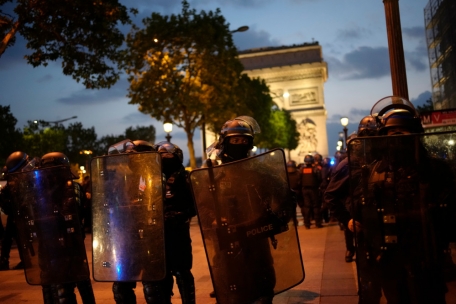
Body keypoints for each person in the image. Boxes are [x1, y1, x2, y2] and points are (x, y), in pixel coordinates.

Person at [347, 96, 456, 303]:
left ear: (415, 134)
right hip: (389, 261)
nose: (397, 138)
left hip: (427, 258)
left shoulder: (435, 170)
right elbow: (358, 203)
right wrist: (354, 220)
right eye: (392, 133)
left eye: (403, 133)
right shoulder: (373, 171)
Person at [196, 116, 300, 304]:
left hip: (257, 239)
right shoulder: (213, 175)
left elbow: (287, 197)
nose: (240, 144)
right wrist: (213, 221)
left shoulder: (260, 172)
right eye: (235, 140)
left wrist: (277, 220)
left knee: (263, 292)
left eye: (244, 141)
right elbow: (201, 206)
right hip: (227, 244)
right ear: (224, 142)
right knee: (232, 294)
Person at [110, 139, 197, 304]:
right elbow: (140, 198)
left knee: (181, 271)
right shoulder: (144, 178)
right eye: (161, 154)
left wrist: (179, 215)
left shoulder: (183, 177)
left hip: (176, 231)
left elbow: (194, 205)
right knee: (157, 274)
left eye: (167, 154)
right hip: (149, 232)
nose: (164, 157)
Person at [324, 116, 378, 264]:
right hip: (362, 225)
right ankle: (350, 250)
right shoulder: (349, 163)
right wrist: (347, 219)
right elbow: (330, 195)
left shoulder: (383, 160)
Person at [300, 154, 322, 229]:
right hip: (314, 189)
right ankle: (318, 223)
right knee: (316, 206)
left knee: (307, 206)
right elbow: (319, 178)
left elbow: (300, 179)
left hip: (305, 190)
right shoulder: (315, 169)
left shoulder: (302, 169)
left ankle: (307, 224)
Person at [286, 160, 301, 226]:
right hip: (297, 191)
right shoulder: (298, 173)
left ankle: (295, 222)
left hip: (290, 193)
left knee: (292, 209)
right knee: (303, 206)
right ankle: (307, 221)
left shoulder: (285, 174)